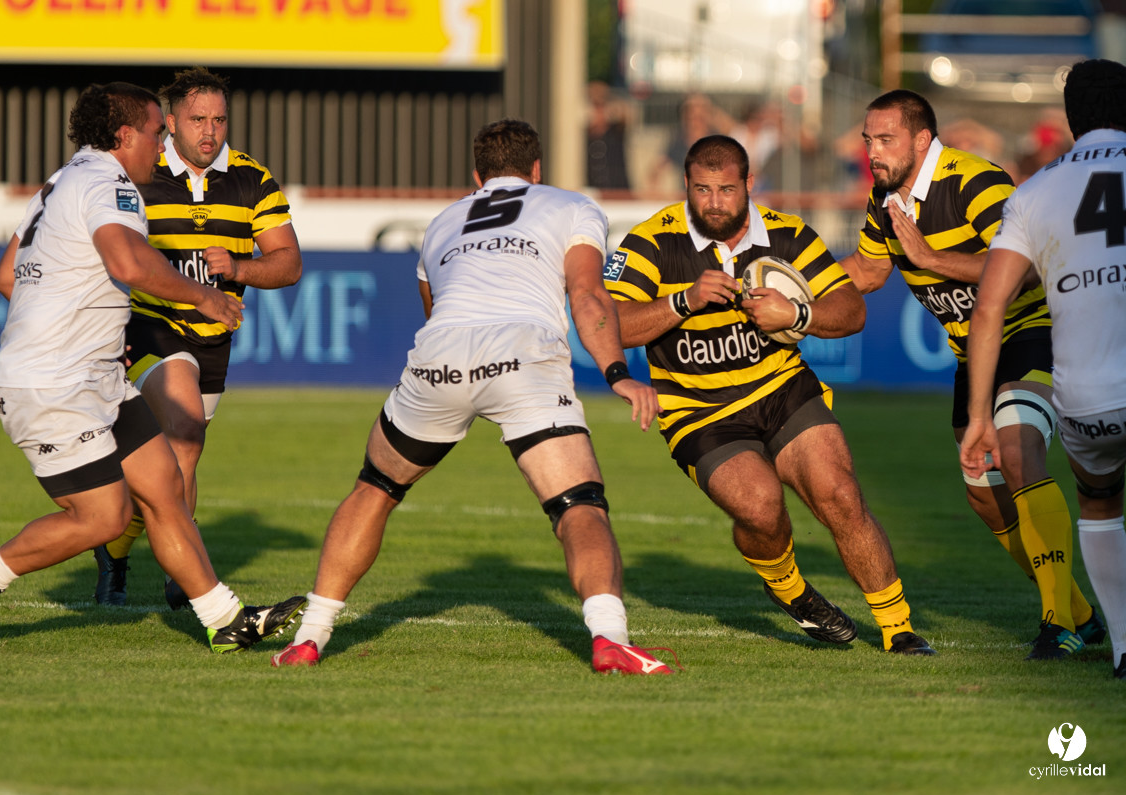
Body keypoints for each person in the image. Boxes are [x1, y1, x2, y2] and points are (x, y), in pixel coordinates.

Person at [271, 119, 677, 675]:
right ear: (537, 171)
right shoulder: (570, 206)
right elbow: (587, 294)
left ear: (476, 176)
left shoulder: (441, 222)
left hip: (441, 357)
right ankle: (608, 639)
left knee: (375, 488)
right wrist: (616, 372)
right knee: (578, 505)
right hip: (523, 355)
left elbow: (434, 312)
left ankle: (311, 636)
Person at [0, 82, 305, 654]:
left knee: (162, 486)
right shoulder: (110, 184)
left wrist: (71, 320)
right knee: (104, 518)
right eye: (158, 131)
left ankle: (224, 618)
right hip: (55, 384)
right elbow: (129, 262)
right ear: (124, 135)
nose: (162, 144)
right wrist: (206, 298)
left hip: (94, 375)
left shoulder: (60, 181)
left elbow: (6, 278)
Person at [606, 134, 934, 656]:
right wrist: (681, 302)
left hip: (783, 390)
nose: (714, 202)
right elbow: (610, 322)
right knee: (761, 508)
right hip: (699, 412)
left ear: (749, 185)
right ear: (686, 186)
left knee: (841, 495)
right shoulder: (652, 241)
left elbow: (851, 310)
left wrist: (797, 314)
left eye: (727, 190)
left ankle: (899, 630)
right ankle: (790, 589)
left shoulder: (788, 235)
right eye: (702, 190)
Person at [839, 89, 1104, 660]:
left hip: (1036, 331)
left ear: (921, 140)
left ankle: (1058, 622)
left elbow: (1029, 270)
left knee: (1015, 447)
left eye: (884, 140)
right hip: (974, 351)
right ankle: (1080, 612)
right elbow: (865, 270)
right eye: (867, 140)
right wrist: (791, 280)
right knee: (984, 493)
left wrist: (932, 258)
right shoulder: (882, 200)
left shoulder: (978, 182)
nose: (873, 152)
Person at [91, 67, 302, 609]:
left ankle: (115, 549)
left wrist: (238, 267)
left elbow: (289, 264)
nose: (209, 131)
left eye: (219, 119)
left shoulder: (253, 179)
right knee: (184, 437)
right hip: (149, 326)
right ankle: (189, 578)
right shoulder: (139, 171)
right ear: (172, 122)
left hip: (214, 337)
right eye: (197, 120)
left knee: (170, 468)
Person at [961, 59, 1126, 679]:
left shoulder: (1033, 191)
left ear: (1070, 118)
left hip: (1085, 398)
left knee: (1100, 504)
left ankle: (1122, 648)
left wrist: (980, 416)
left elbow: (990, 306)